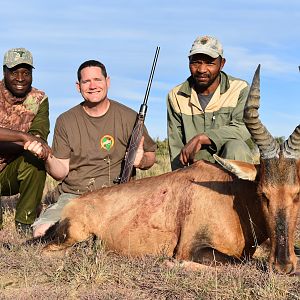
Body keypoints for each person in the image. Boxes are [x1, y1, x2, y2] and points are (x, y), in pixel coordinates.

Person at [31, 59, 156, 237]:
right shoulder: (65, 120)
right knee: (42, 233)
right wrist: (47, 156)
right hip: (75, 196)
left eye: (97, 80)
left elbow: (151, 154)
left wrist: (142, 160)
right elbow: (60, 172)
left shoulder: (130, 117)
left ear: (108, 82)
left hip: (119, 196)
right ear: (78, 86)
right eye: (86, 81)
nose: (92, 86)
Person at [167, 35, 253, 170]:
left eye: (210, 63)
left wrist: (203, 138)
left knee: (237, 147)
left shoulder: (239, 88)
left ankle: (241, 190)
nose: (201, 69)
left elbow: (243, 128)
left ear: (222, 64)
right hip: (195, 171)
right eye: (196, 62)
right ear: (189, 61)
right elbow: (176, 146)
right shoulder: (176, 95)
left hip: (229, 168)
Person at [0, 48, 50, 235]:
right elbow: (29, 138)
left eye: (26, 73)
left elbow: (38, 137)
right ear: (4, 72)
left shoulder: (39, 99)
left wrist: (33, 143)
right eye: (14, 72)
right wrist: (23, 137)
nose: (20, 78)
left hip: (11, 172)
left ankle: (25, 221)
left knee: (36, 156)